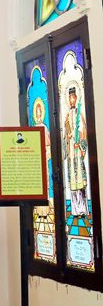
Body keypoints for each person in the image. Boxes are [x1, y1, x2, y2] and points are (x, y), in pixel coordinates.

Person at [63, 85, 88, 216]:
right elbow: (65, 135)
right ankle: (75, 210)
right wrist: (68, 137)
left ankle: (82, 209)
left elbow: (84, 130)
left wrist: (80, 144)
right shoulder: (67, 116)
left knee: (80, 182)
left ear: (76, 98)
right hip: (71, 153)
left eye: (73, 97)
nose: (71, 100)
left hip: (77, 151)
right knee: (72, 182)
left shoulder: (80, 114)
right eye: (69, 98)